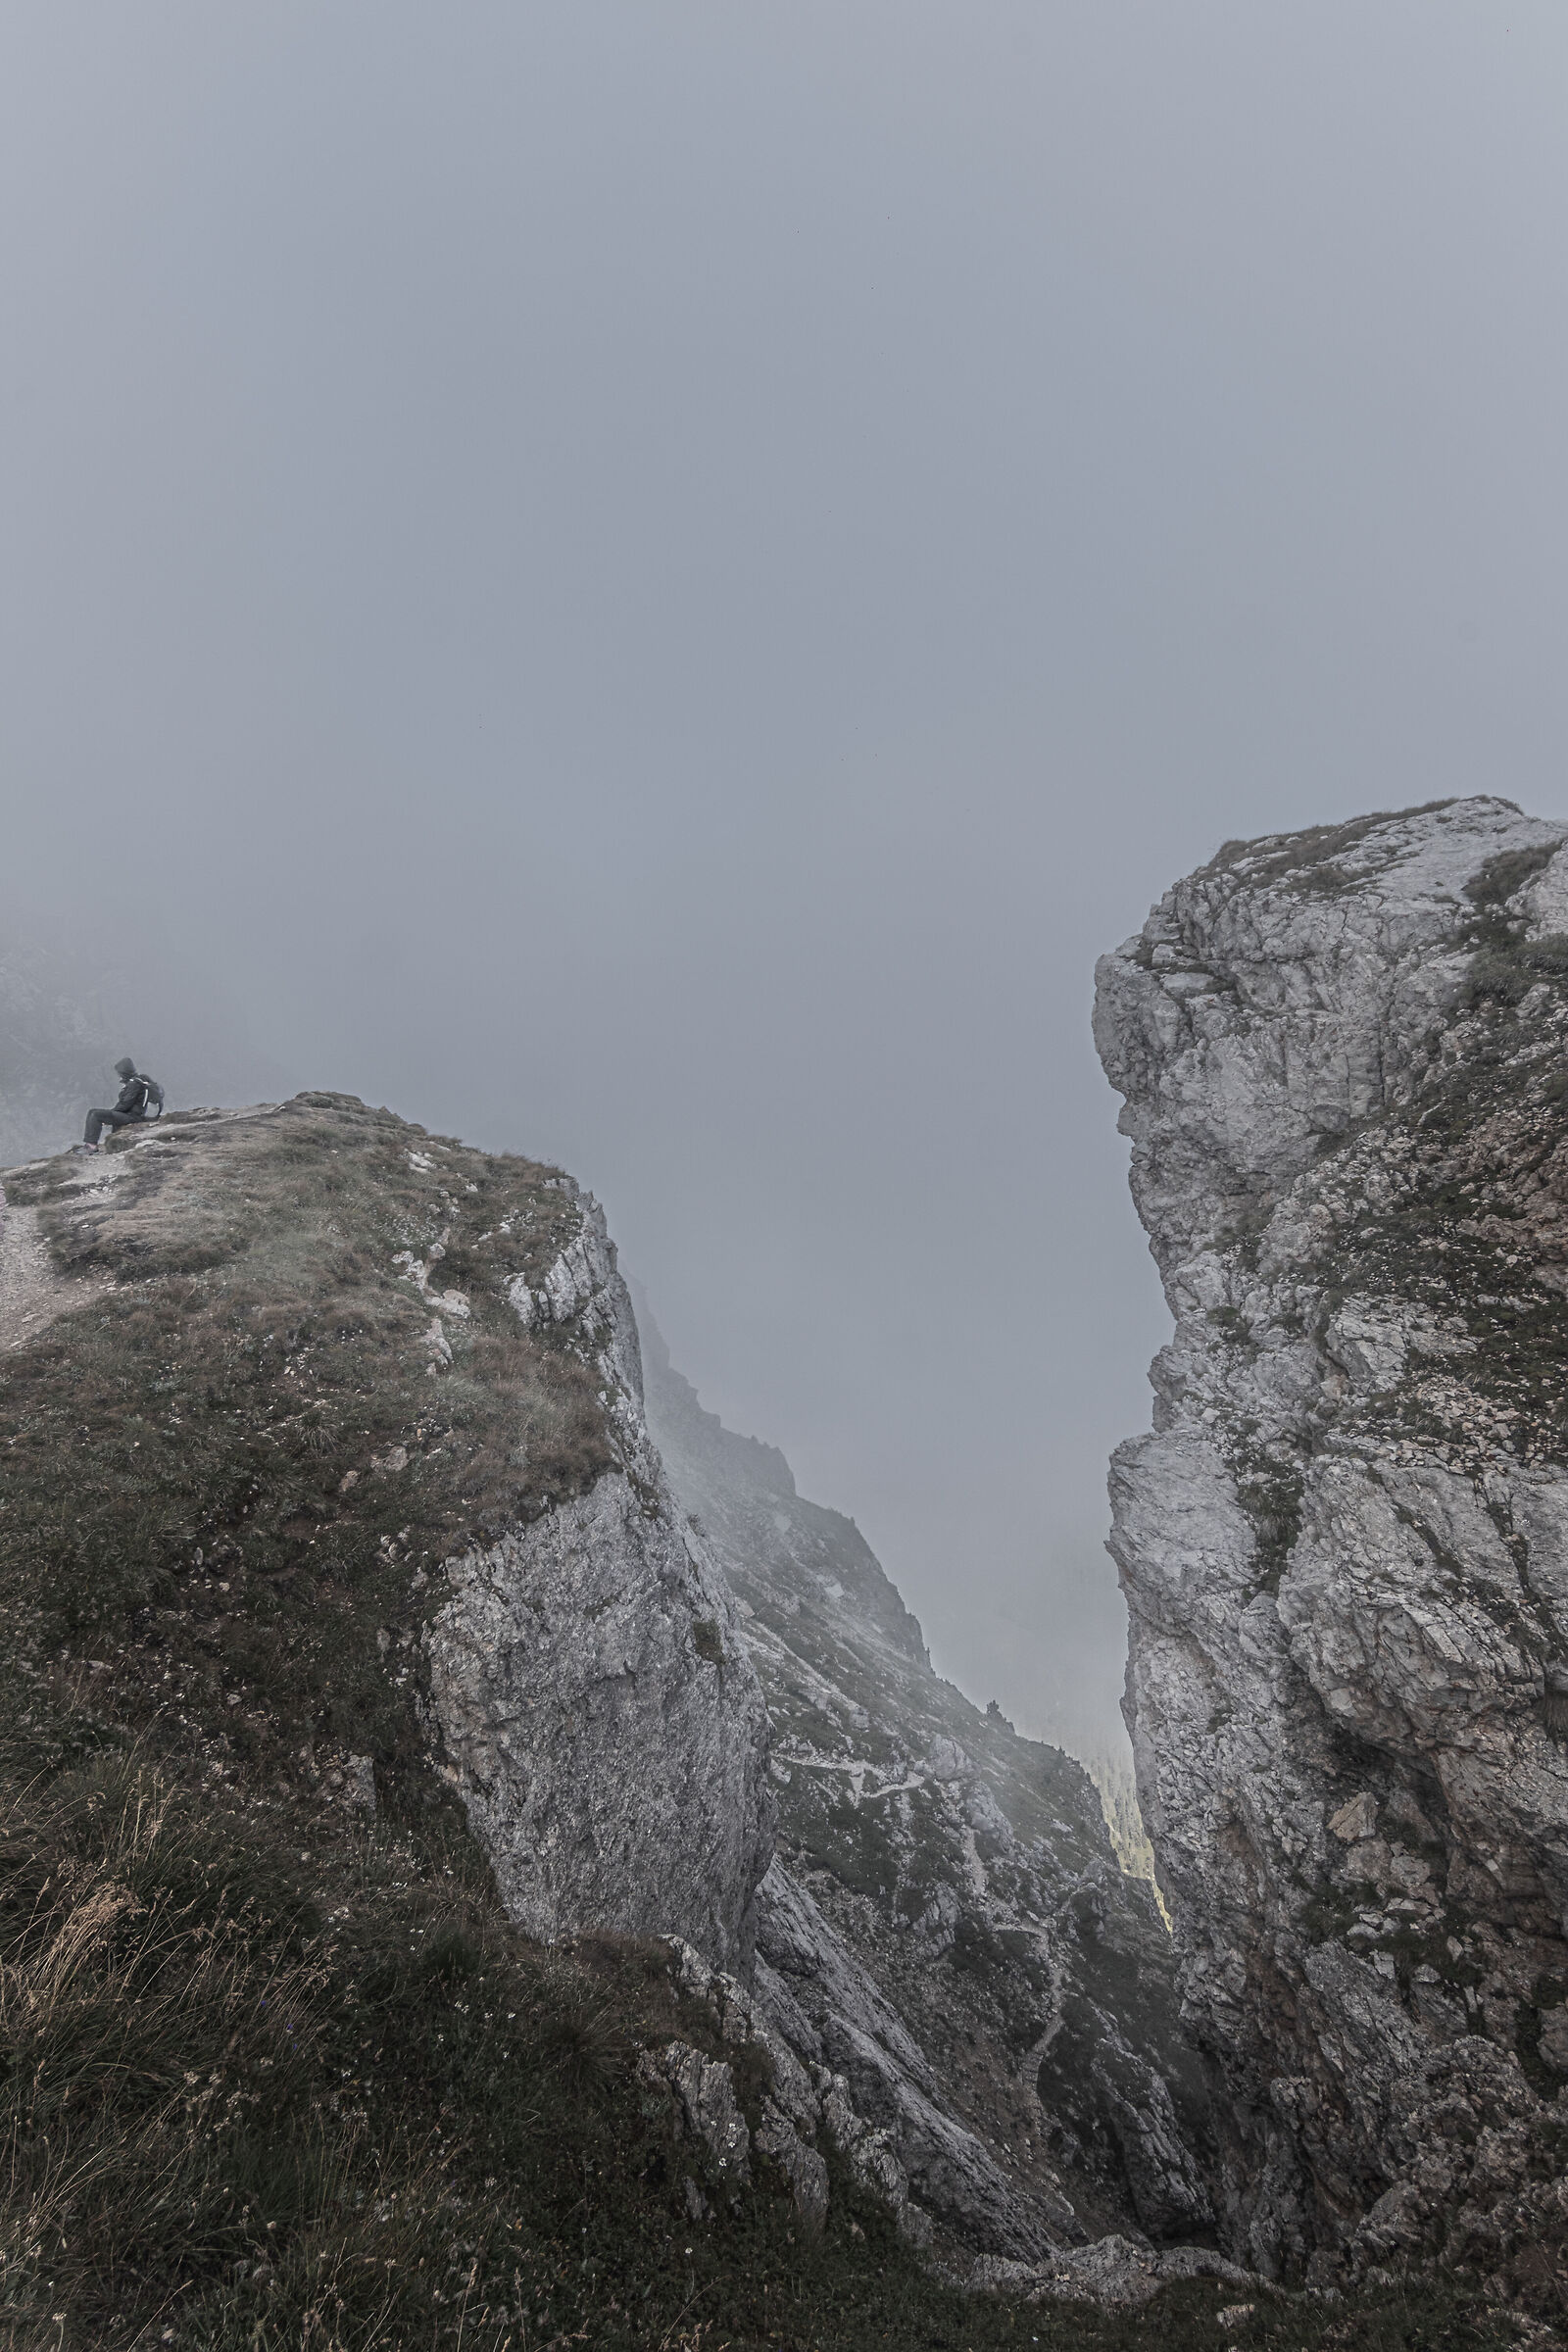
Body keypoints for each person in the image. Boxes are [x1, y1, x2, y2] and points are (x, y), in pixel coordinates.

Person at [79, 1058, 162, 1152]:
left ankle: (91, 1146)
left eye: (120, 1073)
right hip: (135, 1115)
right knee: (92, 1112)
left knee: (96, 1115)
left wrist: (111, 1113)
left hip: (133, 1117)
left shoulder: (134, 1084)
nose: (119, 1076)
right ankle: (90, 1144)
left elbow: (125, 1104)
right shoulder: (141, 1080)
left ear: (124, 1072)